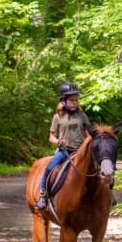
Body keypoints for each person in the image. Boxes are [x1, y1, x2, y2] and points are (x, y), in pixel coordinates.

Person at [36, 82, 92, 210]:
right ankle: (43, 196)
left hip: (81, 152)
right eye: (72, 100)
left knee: (97, 168)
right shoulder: (57, 117)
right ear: (63, 101)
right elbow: (51, 137)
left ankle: (108, 194)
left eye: (76, 100)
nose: (75, 102)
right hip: (64, 151)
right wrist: (58, 142)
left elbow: (90, 134)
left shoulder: (82, 116)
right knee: (49, 169)